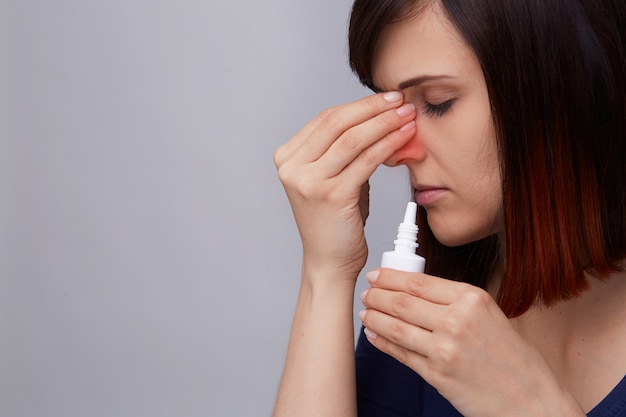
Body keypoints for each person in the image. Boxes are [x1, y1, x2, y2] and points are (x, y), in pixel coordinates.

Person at [272, 0, 626, 416]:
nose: (397, 153)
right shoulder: (425, 322)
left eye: (437, 103)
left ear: (560, 92)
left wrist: (530, 405)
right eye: (392, 107)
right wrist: (325, 271)